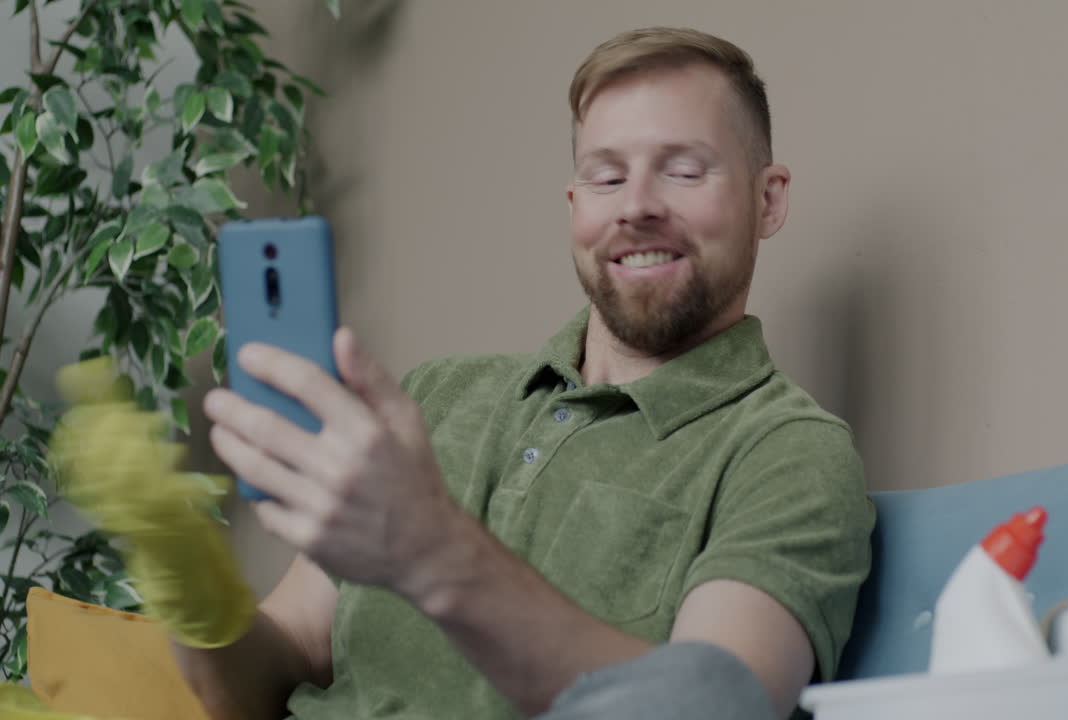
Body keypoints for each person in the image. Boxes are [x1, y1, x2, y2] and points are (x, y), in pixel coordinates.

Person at [177, 26, 874, 720]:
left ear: (768, 200)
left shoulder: (788, 451)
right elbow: (273, 666)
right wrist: (193, 599)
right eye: (607, 176)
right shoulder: (433, 396)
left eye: (685, 170)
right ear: (576, 207)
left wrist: (430, 549)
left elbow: (714, 704)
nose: (636, 206)